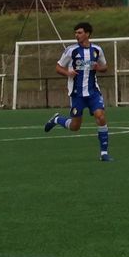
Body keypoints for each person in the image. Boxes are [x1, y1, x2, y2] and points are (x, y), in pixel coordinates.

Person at [44, 21, 112, 161]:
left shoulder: (97, 50)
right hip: (77, 94)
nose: (77, 35)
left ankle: (104, 153)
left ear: (87, 34)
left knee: (101, 116)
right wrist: (68, 73)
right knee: (75, 126)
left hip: (93, 92)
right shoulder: (71, 50)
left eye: (80, 32)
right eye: (75, 33)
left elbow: (105, 67)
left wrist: (98, 68)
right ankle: (57, 119)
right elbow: (58, 67)